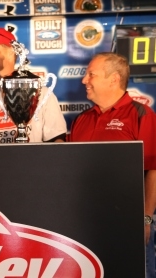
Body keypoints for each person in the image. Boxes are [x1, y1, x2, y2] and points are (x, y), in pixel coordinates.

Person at [68, 52, 156, 278]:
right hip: (84, 220)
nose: (84, 80)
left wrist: (145, 218)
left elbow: (153, 170)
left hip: (128, 220)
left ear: (114, 79)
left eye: (91, 75)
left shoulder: (141, 113)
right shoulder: (82, 119)